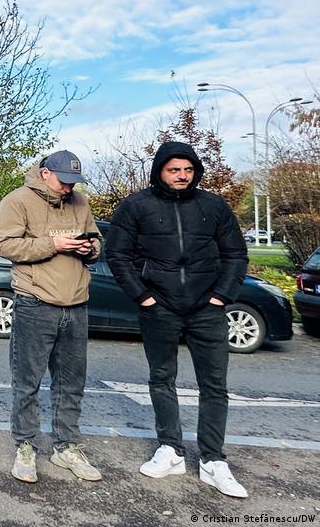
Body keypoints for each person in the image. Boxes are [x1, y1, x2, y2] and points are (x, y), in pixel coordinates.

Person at [105, 141, 249, 498]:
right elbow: (117, 255)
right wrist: (144, 297)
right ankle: (170, 449)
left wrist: (220, 297)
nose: (182, 175)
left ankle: (213, 460)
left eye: (188, 169)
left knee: (214, 385)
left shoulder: (213, 206)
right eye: (174, 170)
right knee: (161, 379)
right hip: (160, 308)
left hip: (207, 310)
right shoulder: (136, 206)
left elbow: (236, 254)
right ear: (160, 171)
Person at [0, 150, 102, 484]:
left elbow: (97, 239)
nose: (69, 188)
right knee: (27, 383)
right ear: (44, 173)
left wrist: (90, 248)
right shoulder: (17, 201)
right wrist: (55, 244)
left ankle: (66, 447)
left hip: (77, 304)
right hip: (35, 303)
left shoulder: (80, 202)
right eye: (63, 181)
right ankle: (25, 447)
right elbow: (4, 245)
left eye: (74, 182)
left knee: (71, 384)